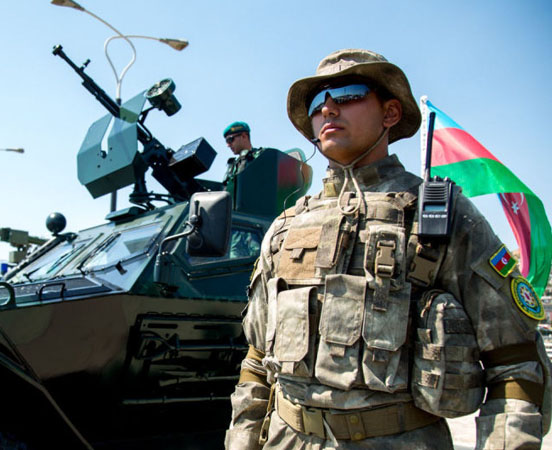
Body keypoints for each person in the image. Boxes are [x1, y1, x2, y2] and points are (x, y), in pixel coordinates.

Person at [225, 49, 551, 449]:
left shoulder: (439, 216)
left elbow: (515, 363)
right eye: (316, 103)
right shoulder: (285, 226)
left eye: (348, 94)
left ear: (390, 113)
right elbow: (257, 362)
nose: (327, 109)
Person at [222, 121, 261, 189]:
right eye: (227, 141)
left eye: (230, 140)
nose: (228, 145)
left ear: (244, 136)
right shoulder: (233, 167)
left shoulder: (260, 156)